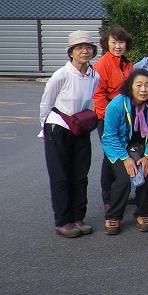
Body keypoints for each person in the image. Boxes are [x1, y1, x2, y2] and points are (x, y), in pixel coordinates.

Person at [39, 31, 100, 238]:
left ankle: (77, 217)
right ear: (71, 52)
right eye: (79, 47)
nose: (85, 51)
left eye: (88, 47)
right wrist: (45, 129)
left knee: (80, 174)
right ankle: (63, 220)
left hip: (80, 128)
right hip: (58, 128)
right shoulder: (61, 75)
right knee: (61, 176)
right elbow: (46, 103)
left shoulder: (94, 75)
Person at [100, 69, 148, 235]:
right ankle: (113, 215)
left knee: (145, 175)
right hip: (117, 146)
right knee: (124, 180)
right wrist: (126, 158)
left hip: (140, 146)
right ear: (130, 86)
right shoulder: (117, 104)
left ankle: (143, 212)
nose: (143, 89)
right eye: (139, 85)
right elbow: (110, 134)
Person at [93, 25, 134, 209]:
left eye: (121, 42)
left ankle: (120, 193)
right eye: (114, 42)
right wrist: (107, 117)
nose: (118, 46)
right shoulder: (102, 64)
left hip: (127, 117)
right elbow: (98, 95)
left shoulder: (128, 63)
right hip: (108, 117)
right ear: (106, 43)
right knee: (110, 156)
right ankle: (108, 198)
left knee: (124, 152)